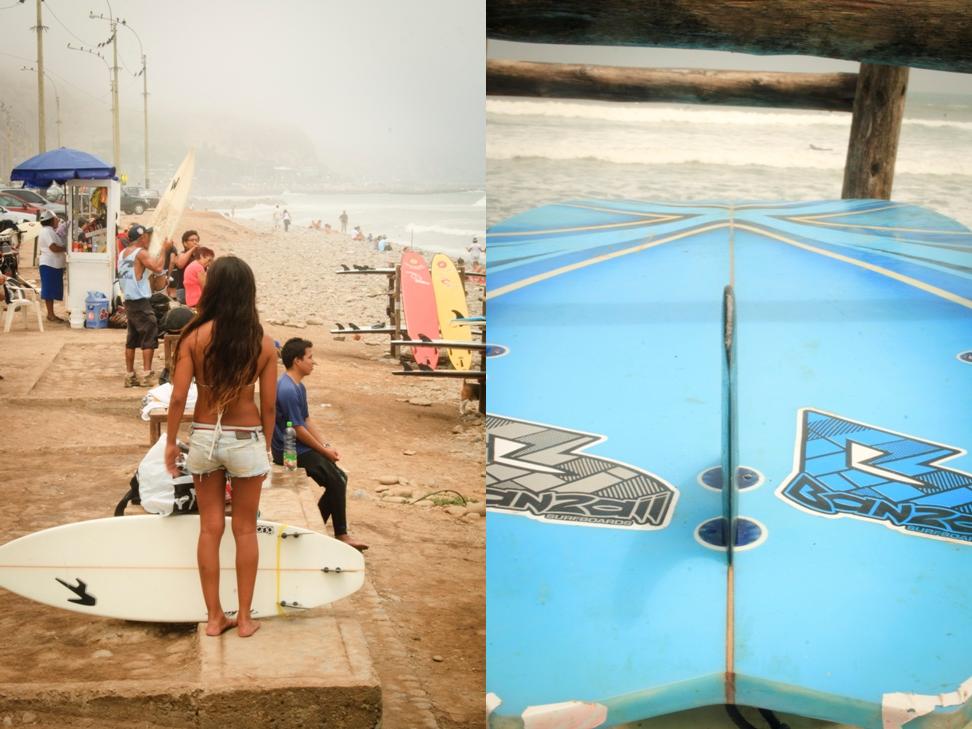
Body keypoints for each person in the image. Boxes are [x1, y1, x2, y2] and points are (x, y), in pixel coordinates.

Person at [164, 256, 278, 638]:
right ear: (248, 293)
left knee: (209, 529)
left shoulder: (193, 337)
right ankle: (244, 618)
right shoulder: (262, 343)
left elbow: (178, 397)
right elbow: (270, 405)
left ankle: (214, 617)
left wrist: (170, 442)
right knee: (245, 530)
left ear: (212, 290)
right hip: (246, 438)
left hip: (203, 437)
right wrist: (266, 448)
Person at [273, 338, 368, 551]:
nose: (313, 362)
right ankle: (340, 534)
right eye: (310, 357)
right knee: (337, 480)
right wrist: (323, 451)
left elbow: (306, 420)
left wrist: (325, 445)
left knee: (338, 479)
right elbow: (298, 429)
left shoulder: (298, 386)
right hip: (289, 451)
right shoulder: (287, 389)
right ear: (297, 361)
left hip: (298, 446)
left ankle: (316, 532)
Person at [117, 224, 174, 387]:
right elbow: (158, 268)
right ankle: (147, 374)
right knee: (150, 333)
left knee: (132, 338)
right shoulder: (140, 253)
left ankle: (130, 375)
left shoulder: (123, 253)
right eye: (148, 236)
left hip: (129, 300)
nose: (149, 239)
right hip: (140, 301)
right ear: (142, 237)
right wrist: (164, 249)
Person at [37, 210, 67, 322]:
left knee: (52, 290)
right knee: (48, 291)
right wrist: (66, 248)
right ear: (51, 220)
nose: (58, 220)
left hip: (54, 265)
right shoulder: (47, 231)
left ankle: (51, 314)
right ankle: (50, 314)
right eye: (56, 219)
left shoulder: (50, 231)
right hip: (49, 264)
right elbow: (53, 248)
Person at [167, 230, 200, 302]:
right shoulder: (181, 254)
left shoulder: (199, 257)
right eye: (192, 240)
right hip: (183, 291)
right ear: (185, 243)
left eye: (196, 240)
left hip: (196, 290)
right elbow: (180, 264)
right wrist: (192, 249)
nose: (195, 242)